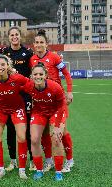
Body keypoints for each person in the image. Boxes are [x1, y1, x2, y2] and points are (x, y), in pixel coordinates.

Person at [30, 29, 74, 172]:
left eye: (41, 42)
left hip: (56, 100)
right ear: (34, 45)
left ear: (46, 44)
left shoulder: (54, 57)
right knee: (43, 134)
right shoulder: (32, 59)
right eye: (36, 42)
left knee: (62, 132)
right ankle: (48, 160)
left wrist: (69, 91)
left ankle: (69, 159)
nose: (39, 45)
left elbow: (66, 74)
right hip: (41, 101)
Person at [0, 26, 34, 171]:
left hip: (25, 96)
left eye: (16, 34)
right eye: (12, 35)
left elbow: (34, 69)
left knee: (27, 129)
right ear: (9, 37)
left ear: (20, 36)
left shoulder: (28, 52)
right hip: (10, 96)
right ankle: (13, 160)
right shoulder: (3, 52)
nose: (14, 37)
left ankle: (31, 159)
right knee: (10, 129)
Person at [21, 62, 67, 181]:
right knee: (35, 139)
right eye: (35, 74)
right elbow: (16, 84)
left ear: (46, 75)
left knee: (56, 138)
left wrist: (57, 126)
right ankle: (39, 170)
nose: (38, 76)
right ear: (31, 76)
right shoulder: (28, 85)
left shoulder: (55, 86)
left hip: (55, 112)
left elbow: (62, 106)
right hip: (39, 112)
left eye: (41, 74)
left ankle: (58, 171)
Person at [0, 54, 29, 179]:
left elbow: (30, 85)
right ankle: (0, 169)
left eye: (3, 65)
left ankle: (22, 170)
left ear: (8, 66)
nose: (0, 67)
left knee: (21, 137)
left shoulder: (17, 78)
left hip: (17, 109)